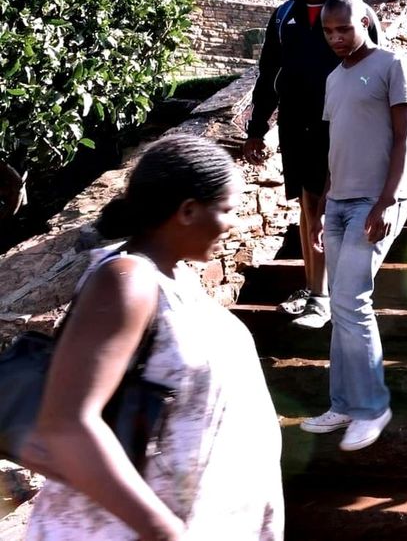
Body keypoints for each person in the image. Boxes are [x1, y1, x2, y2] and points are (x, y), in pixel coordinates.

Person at [24, 134, 283, 540]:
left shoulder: (179, 282)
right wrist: (163, 531)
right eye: (228, 210)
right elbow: (67, 423)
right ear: (187, 210)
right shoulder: (127, 280)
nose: (233, 224)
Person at [300, 0, 407, 451]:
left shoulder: (393, 65)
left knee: (353, 301)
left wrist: (388, 201)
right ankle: (344, 403)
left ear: (366, 21)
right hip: (340, 203)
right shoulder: (334, 78)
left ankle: (372, 406)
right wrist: (325, 204)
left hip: (377, 199)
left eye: (344, 29)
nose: (335, 38)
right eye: (329, 32)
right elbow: (338, 145)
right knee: (340, 306)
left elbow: (404, 143)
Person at [243, 0, 375, 329]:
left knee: (341, 208)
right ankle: (318, 294)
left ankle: (343, 292)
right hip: (298, 126)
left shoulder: (358, 12)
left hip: (345, 127)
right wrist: (256, 127)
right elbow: (269, 74)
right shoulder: (284, 16)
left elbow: (377, 66)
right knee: (308, 206)